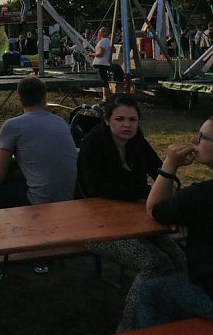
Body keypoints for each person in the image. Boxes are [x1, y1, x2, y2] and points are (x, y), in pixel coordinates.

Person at [77, 94, 185, 331]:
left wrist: (172, 181)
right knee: (155, 264)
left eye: (133, 120)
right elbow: (95, 188)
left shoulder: (137, 142)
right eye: (120, 119)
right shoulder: (93, 143)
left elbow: (160, 170)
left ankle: (167, 318)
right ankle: (129, 327)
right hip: (94, 226)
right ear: (107, 121)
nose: (127, 125)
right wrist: (145, 190)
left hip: (136, 220)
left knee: (179, 260)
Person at [134, 116, 213, 328]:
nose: (193, 140)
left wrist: (169, 164)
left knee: (150, 291)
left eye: (201, 137)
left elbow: (154, 209)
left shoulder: (202, 195)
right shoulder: (197, 198)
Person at [0, 76, 77, 218]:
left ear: (20, 99)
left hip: (39, 201)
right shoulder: (60, 121)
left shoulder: (12, 126)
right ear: (44, 97)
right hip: (69, 197)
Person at [88, 27, 113, 102]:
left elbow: (101, 54)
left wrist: (91, 54)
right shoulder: (107, 41)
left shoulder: (103, 42)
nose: (99, 33)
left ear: (105, 33)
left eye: (100, 32)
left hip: (101, 63)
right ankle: (104, 97)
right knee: (104, 81)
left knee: (104, 81)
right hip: (104, 63)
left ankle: (105, 98)